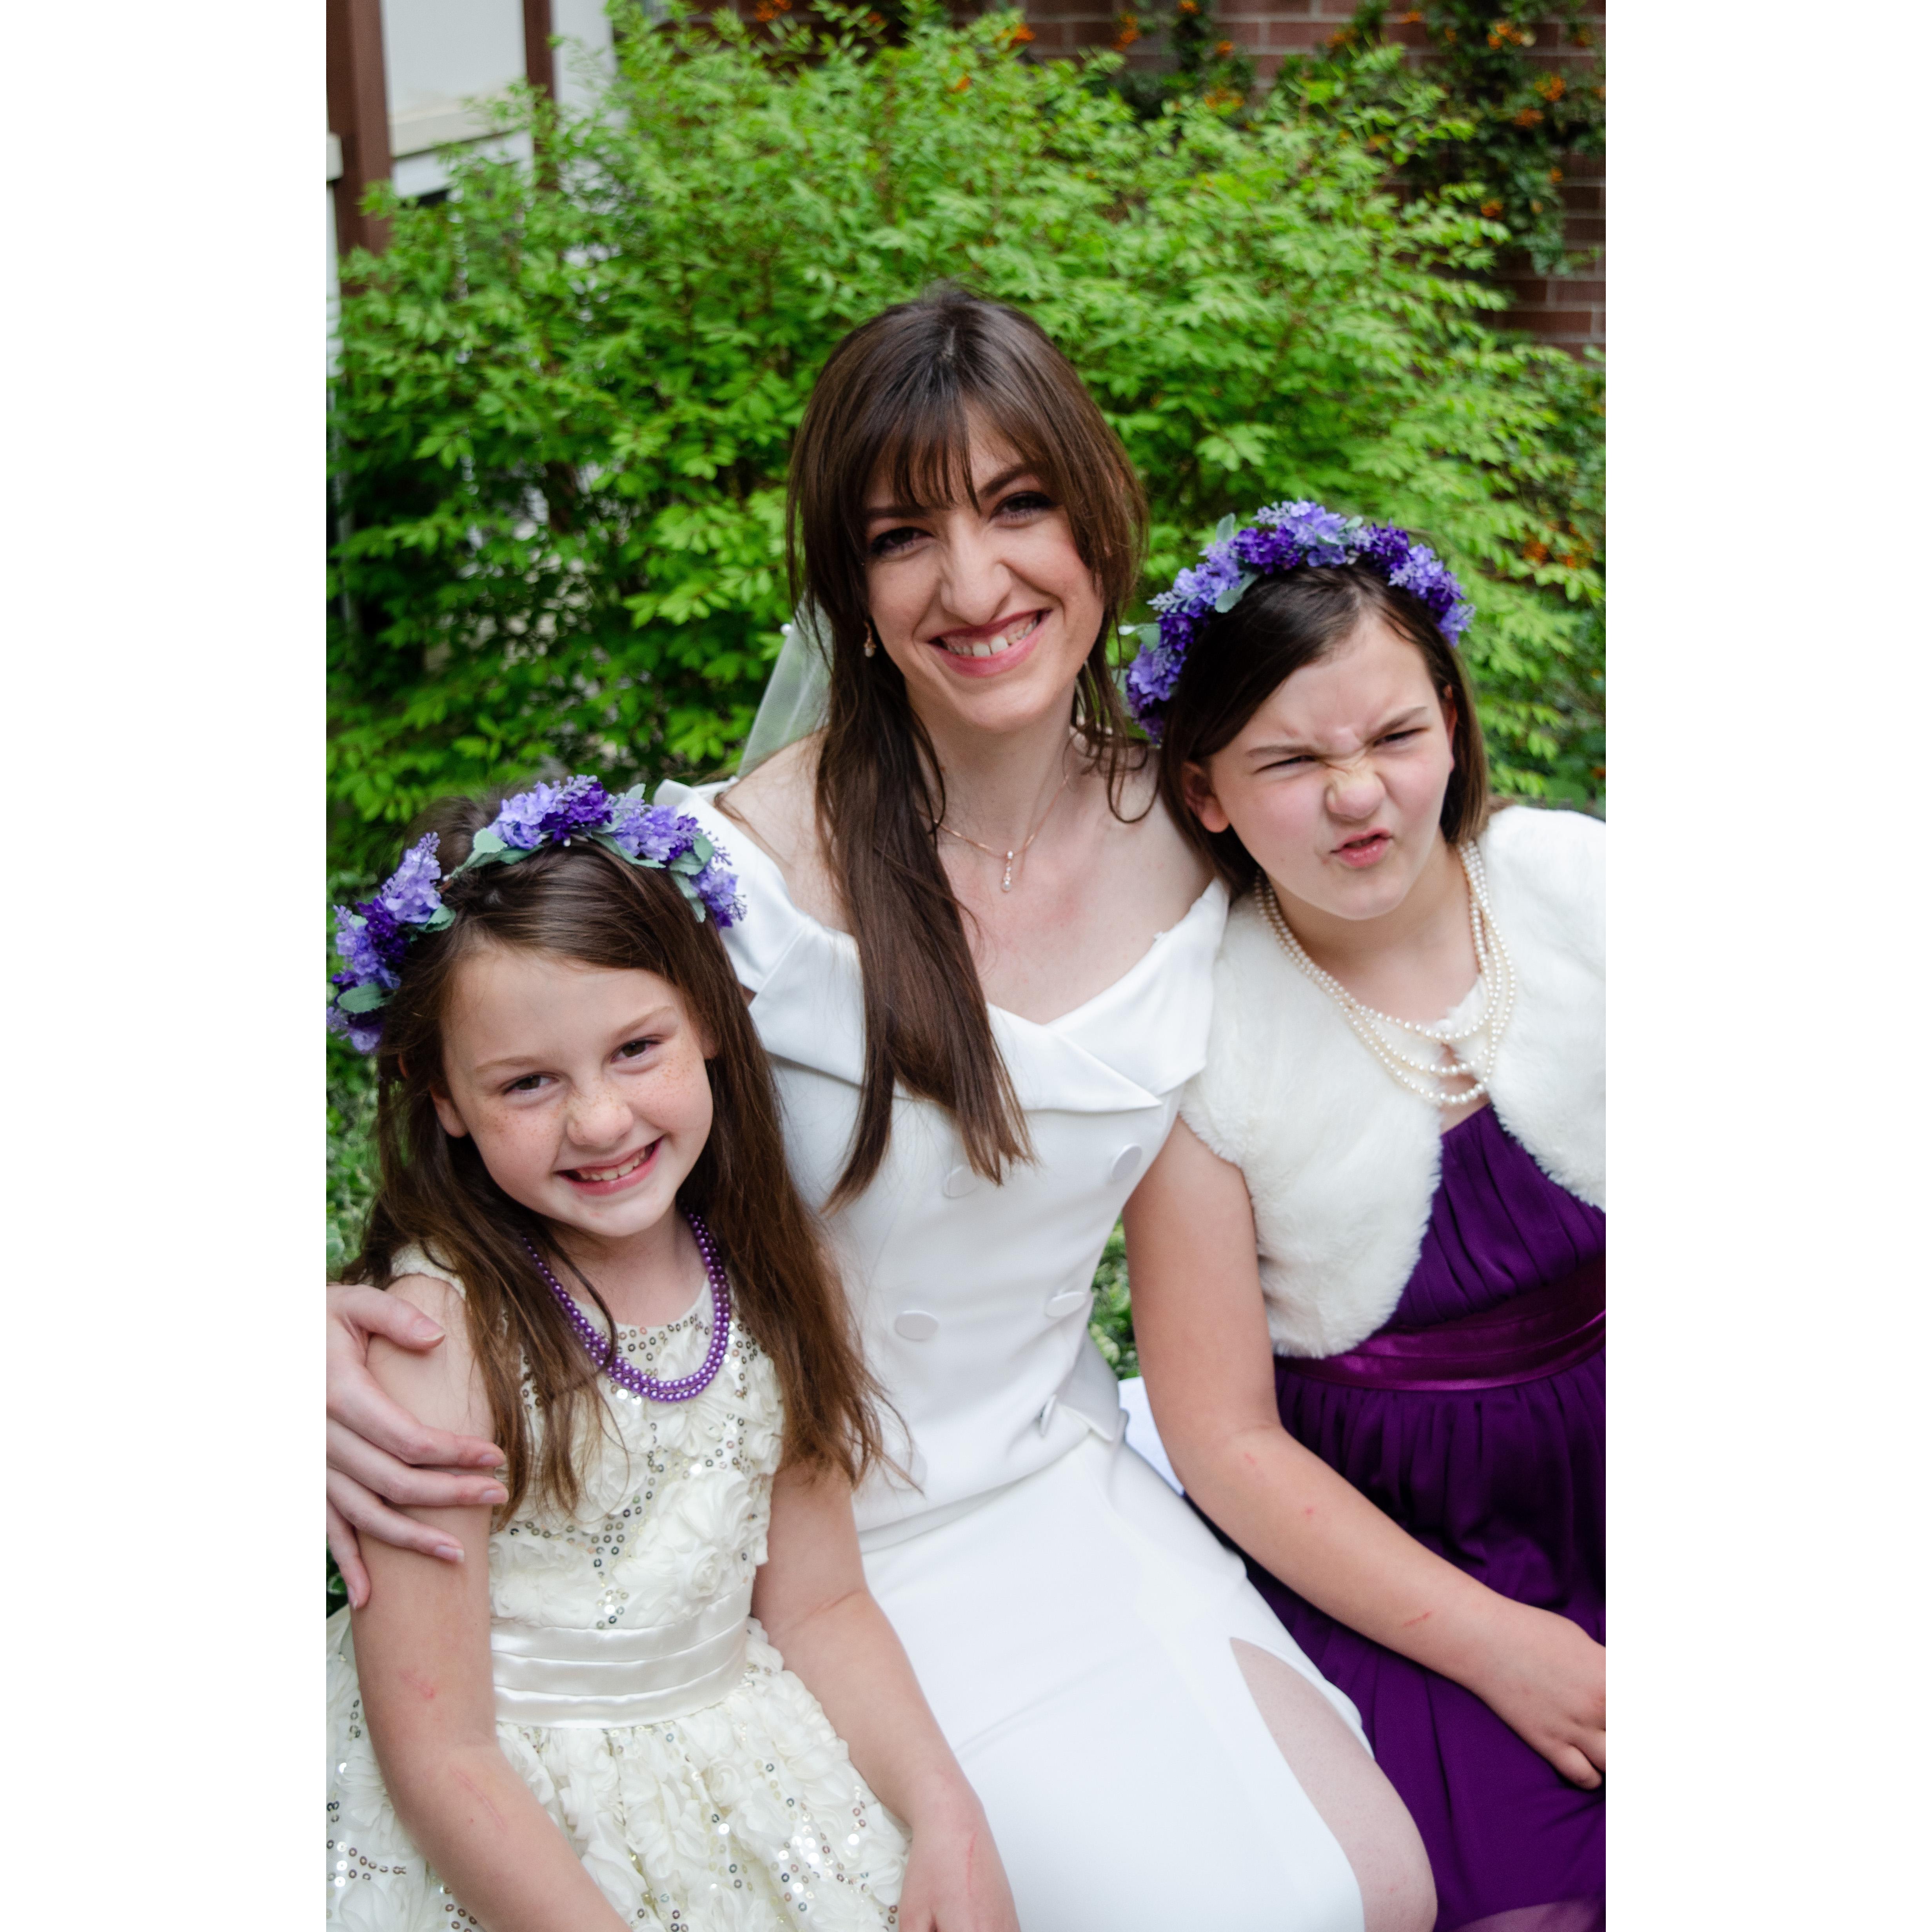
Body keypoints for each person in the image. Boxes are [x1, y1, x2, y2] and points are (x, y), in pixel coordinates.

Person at [327, 290, 1437, 1931]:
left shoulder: (1210, 838)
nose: (974, 584)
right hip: (782, 1542)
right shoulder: (721, 875)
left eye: (1015, 505)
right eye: (902, 533)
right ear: (847, 584)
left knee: (1368, 1888)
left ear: (1095, 512)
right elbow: (503, 1103)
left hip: (1055, 1478)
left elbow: (1445, 958)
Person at [323, 777, 1019, 1931]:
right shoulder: (435, 1340)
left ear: (708, 1015)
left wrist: (946, 1811)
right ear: (443, 1096)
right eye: (528, 1083)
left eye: (635, 1048)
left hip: (737, 1761)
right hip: (508, 1825)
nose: (598, 1121)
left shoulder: (771, 1274)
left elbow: (820, 1604)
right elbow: (442, 1752)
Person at [1118, 503, 1605, 1931]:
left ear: (1451, 721)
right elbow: (1223, 1434)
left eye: (1395, 738)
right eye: (1291, 761)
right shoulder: (1200, 1027)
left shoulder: (1587, 892)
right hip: (1405, 1536)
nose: (1358, 796)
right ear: (1205, 792)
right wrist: (1508, 1650)